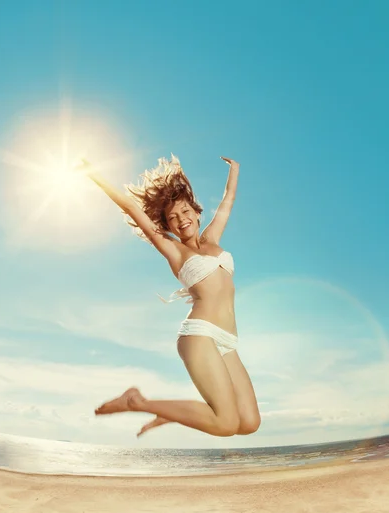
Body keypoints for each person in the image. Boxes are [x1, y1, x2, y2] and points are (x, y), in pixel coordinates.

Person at [81, 155, 260, 438]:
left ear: (197, 212)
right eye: (172, 217)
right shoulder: (175, 251)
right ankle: (136, 401)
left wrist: (235, 169)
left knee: (249, 422)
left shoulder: (213, 239)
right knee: (226, 424)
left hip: (228, 341)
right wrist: (94, 174)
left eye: (185, 211)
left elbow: (228, 200)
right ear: (167, 225)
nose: (181, 219)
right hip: (199, 335)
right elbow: (130, 207)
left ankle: (175, 414)